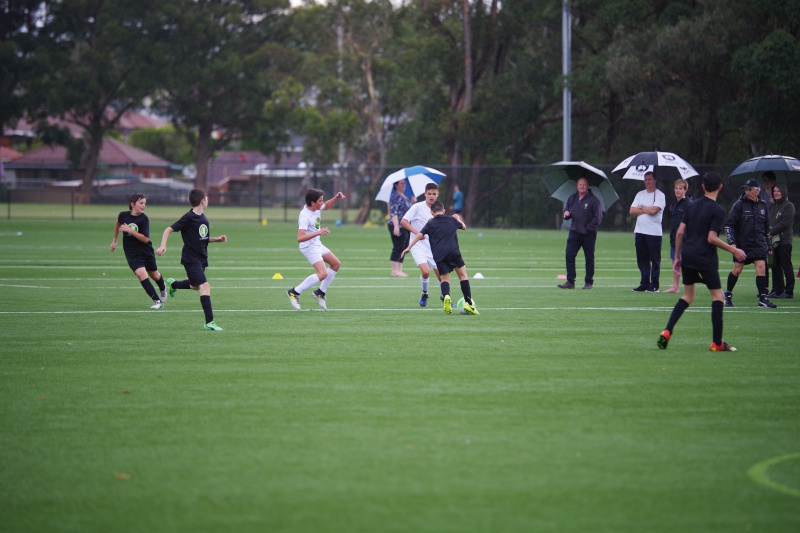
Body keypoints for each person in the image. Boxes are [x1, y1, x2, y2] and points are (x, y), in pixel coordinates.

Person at [657, 172, 746, 352]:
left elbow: (680, 232)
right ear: (720, 187)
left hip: (688, 255)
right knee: (718, 296)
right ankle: (717, 343)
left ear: (703, 187)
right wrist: (734, 249)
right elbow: (711, 238)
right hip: (705, 258)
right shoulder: (718, 211)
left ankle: (667, 331)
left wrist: (677, 257)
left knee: (688, 296)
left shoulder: (691, 206)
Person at [156, 188, 228, 331]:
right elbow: (168, 229)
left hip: (202, 258)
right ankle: (209, 322)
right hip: (191, 259)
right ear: (202, 202)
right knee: (205, 286)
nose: (207, 200)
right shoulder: (188, 217)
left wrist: (216, 239)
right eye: (206, 198)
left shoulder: (204, 219)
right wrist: (163, 245)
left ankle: (173, 284)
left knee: (195, 286)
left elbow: (202, 238)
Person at [402, 201, 477, 315]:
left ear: (431, 213)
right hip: (453, 252)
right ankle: (468, 303)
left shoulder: (430, 223)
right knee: (463, 276)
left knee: (445, 279)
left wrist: (408, 247)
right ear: (444, 211)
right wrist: (458, 218)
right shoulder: (452, 220)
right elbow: (464, 227)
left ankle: (446, 296)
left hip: (439, 255)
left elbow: (420, 235)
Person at [286, 188, 346, 311]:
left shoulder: (316, 208)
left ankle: (320, 292)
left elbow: (327, 206)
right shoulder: (305, 216)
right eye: (320, 201)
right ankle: (294, 292)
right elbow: (300, 238)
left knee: (336, 264)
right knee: (322, 274)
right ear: (312, 202)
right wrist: (318, 232)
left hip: (316, 244)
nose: (322, 203)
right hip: (308, 247)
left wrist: (336, 198)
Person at [723, 178, 776, 308]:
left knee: (761, 268)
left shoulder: (763, 205)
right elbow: (729, 225)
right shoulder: (739, 205)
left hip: (759, 244)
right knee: (737, 270)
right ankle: (727, 295)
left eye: (750, 189)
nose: (747, 192)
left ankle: (762, 299)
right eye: (746, 189)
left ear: (757, 191)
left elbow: (766, 228)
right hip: (743, 245)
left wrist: (768, 245)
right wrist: (732, 243)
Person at [110, 193, 168, 309]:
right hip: (131, 253)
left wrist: (130, 230)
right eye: (141, 203)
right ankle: (157, 302)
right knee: (141, 274)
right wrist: (115, 240)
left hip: (145, 251)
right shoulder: (123, 215)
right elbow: (118, 222)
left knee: (155, 275)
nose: (143, 205)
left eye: (145, 203)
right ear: (132, 204)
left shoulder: (144, 219)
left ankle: (163, 288)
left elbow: (145, 239)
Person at [401, 182, 443, 306]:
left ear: (438, 194)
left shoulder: (439, 208)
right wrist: (417, 233)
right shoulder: (417, 207)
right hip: (418, 245)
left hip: (434, 246)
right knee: (425, 272)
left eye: (434, 194)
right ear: (425, 194)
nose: (431, 196)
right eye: (429, 193)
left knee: (441, 276)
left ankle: (445, 296)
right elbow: (404, 221)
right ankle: (424, 293)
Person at [557, 177, 602, 290]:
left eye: (584, 184)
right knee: (569, 255)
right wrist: (566, 214)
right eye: (580, 184)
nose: (582, 186)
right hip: (574, 233)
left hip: (588, 234)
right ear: (577, 186)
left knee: (589, 258)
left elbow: (597, 218)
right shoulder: (572, 198)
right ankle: (570, 281)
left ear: (588, 186)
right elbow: (567, 212)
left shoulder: (594, 200)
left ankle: (588, 282)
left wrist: (587, 229)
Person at [630, 171, 667, 292]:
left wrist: (641, 207)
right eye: (645, 180)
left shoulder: (660, 195)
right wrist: (647, 209)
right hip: (640, 231)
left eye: (650, 179)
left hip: (654, 233)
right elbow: (632, 210)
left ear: (654, 180)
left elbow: (654, 211)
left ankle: (654, 284)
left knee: (654, 259)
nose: (647, 182)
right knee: (642, 258)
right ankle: (644, 283)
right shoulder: (640, 194)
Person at [663, 179, 692, 293]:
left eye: (680, 188)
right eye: (676, 188)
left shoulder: (689, 204)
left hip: (686, 239)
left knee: (686, 264)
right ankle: (675, 286)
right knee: (675, 261)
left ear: (685, 190)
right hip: (674, 238)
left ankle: (689, 287)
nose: (678, 190)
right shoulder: (673, 204)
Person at [768, 183, 795, 298]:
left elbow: (785, 223)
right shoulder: (772, 207)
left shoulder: (789, 206)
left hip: (784, 241)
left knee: (786, 265)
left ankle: (789, 291)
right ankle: (777, 289)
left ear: (783, 192)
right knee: (775, 265)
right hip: (773, 242)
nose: (776, 193)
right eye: (774, 191)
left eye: (778, 191)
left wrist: (771, 232)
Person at [388, 179, 412, 277]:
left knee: (404, 247)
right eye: (401, 183)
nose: (404, 185)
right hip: (398, 225)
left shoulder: (405, 196)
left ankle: (399, 270)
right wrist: (396, 226)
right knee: (398, 247)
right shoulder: (395, 197)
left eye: (404, 183)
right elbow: (394, 212)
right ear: (396, 185)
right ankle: (394, 270)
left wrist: (413, 202)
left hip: (405, 225)